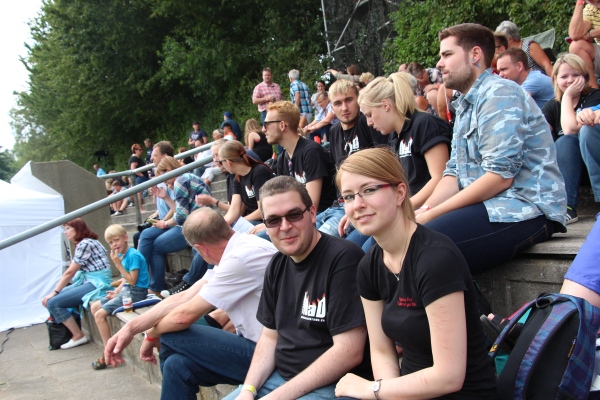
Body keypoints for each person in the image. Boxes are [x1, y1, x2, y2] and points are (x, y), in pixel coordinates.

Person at [334, 147, 497, 399]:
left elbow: (449, 376)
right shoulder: (368, 266)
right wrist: (385, 393)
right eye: (348, 196)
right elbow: (382, 350)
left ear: (400, 193)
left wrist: (373, 389)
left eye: (369, 190)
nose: (358, 204)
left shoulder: (435, 258)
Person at [416, 23, 566, 275]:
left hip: (526, 207)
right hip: (492, 205)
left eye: (447, 54)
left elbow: (500, 177)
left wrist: (431, 216)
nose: (439, 64)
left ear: (475, 55)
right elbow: (453, 173)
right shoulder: (465, 103)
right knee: (385, 243)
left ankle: (472, 304)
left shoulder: (500, 93)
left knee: (420, 246)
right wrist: (423, 210)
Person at [104, 208, 278, 399]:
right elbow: (184, 296)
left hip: (271, 356)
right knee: (176, 366)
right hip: (259, 348)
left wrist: (152, 335)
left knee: (171, 335)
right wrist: (130, 328)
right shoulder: (236, 249)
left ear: (201, 249)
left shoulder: (240, 258)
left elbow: (183, 316)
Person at [224, 176, 369, 400]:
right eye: (273, 220)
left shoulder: (343, 258)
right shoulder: (277, 264)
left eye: (294, 215)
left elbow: (349, 352)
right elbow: (269, 337)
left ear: (312, 213)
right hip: (281, 379)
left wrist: (275, 397)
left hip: (334, 385)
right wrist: (248, 390)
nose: (285, 227)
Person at [358, 72, 451, 209]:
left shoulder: (425, 124)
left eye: (369, 115)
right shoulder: (394, 136)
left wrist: (402, 209)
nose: (369, 123)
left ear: (385, 105)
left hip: (432, 208)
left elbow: (440, 177)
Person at [541, 53, 600, 224]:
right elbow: (540, 135)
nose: (570, 80)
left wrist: (567, 96)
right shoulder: (552, 106)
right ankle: (567, 208)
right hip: (569, 171)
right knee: (562, 143)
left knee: (573, 137)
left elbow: (570, 129)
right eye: (564, 76)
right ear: (555, 79)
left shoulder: (594, 96)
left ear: (585, 77)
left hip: (593, 165)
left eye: (576, 75)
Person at [141, 156, 211, 296]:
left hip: (198, 224)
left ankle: (182, 284)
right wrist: (165, 197)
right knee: (149, 238)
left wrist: (165, 223)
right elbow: (181, 212)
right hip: (199, 221)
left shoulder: (180, 180)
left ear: (168, 170)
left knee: (156, 246)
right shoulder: (186, 177)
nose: (166, 183)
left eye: (165, 179)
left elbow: (181, 216)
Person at [42, 218, 112, 349]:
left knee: (53, 302)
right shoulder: (87, 242)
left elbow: (70, 272)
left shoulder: (85, 244)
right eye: (65, 229)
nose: (65, 232)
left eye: (68, 228)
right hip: (89, 280)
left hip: (97, 283)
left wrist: (54, 292)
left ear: (78, 229)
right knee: (54, 299)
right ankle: (75, 332)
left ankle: (78, 335)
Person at [89, 224, 149, 370]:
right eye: (111, 242)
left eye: (116, 240)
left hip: (136, 293)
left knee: (99, 315)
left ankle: (108, 353)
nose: (114, 244)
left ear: (125, 238)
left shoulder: (132, 255)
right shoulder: (124, 254)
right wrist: (116, 292)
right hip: (127, 290)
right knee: (95, 306)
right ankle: (109, 346)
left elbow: (132, 280)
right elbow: (125, 279)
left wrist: (117, 264)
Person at [219, 140, 274, 225]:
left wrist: (241, 222)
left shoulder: (259, 173)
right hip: (252, 221)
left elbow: (263, 210)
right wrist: (223, 225)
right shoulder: (237, 178)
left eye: (221, 162)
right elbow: (234, 209)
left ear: (228, 162)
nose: (221, 165)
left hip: (267, 221)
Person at [568, 0, 600, 88]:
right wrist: (579, 3)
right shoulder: (590, 9)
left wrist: (591, 34)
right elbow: (575, 34)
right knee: (576, 46)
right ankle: (594, 91)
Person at [130, 143, 149, 213]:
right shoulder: (134, 158)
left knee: (139, 193)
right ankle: (140, 209)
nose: (141, 151)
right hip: (139, 178)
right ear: (135, 150)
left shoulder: (137, 158)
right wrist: (141, 175)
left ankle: (140, 208)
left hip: (141, 178)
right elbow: (133, 169)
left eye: (142, 149)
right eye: (140, 150)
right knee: (139, 193)